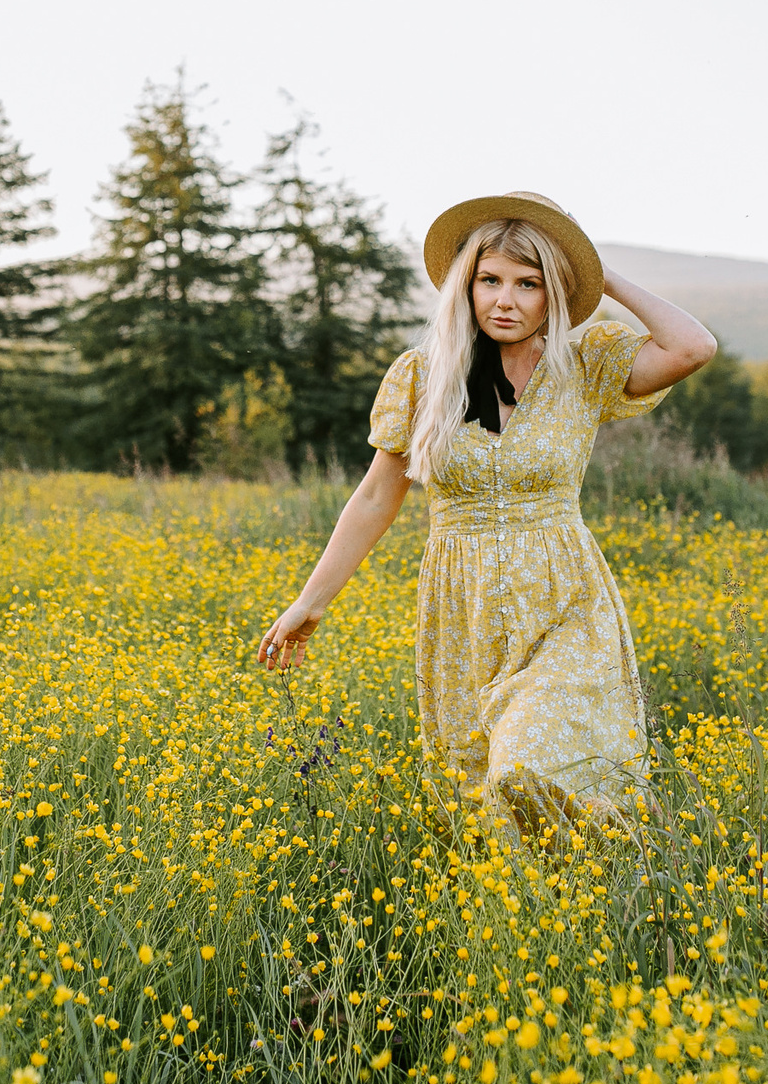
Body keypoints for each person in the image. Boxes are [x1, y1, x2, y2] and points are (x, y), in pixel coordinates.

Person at [253, 190, 716, 843]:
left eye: (529, 283)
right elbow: (376, 496)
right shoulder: (423, 376)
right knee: (490, 804)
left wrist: (596, 273)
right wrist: (311, 601)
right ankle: (543, 918)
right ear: (464, 287)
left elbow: (693, 346)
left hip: (565, 606)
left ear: (553, 292)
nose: (506, 298)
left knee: (528, 761)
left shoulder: (587, 364)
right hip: (462, 611)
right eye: (489, 279)